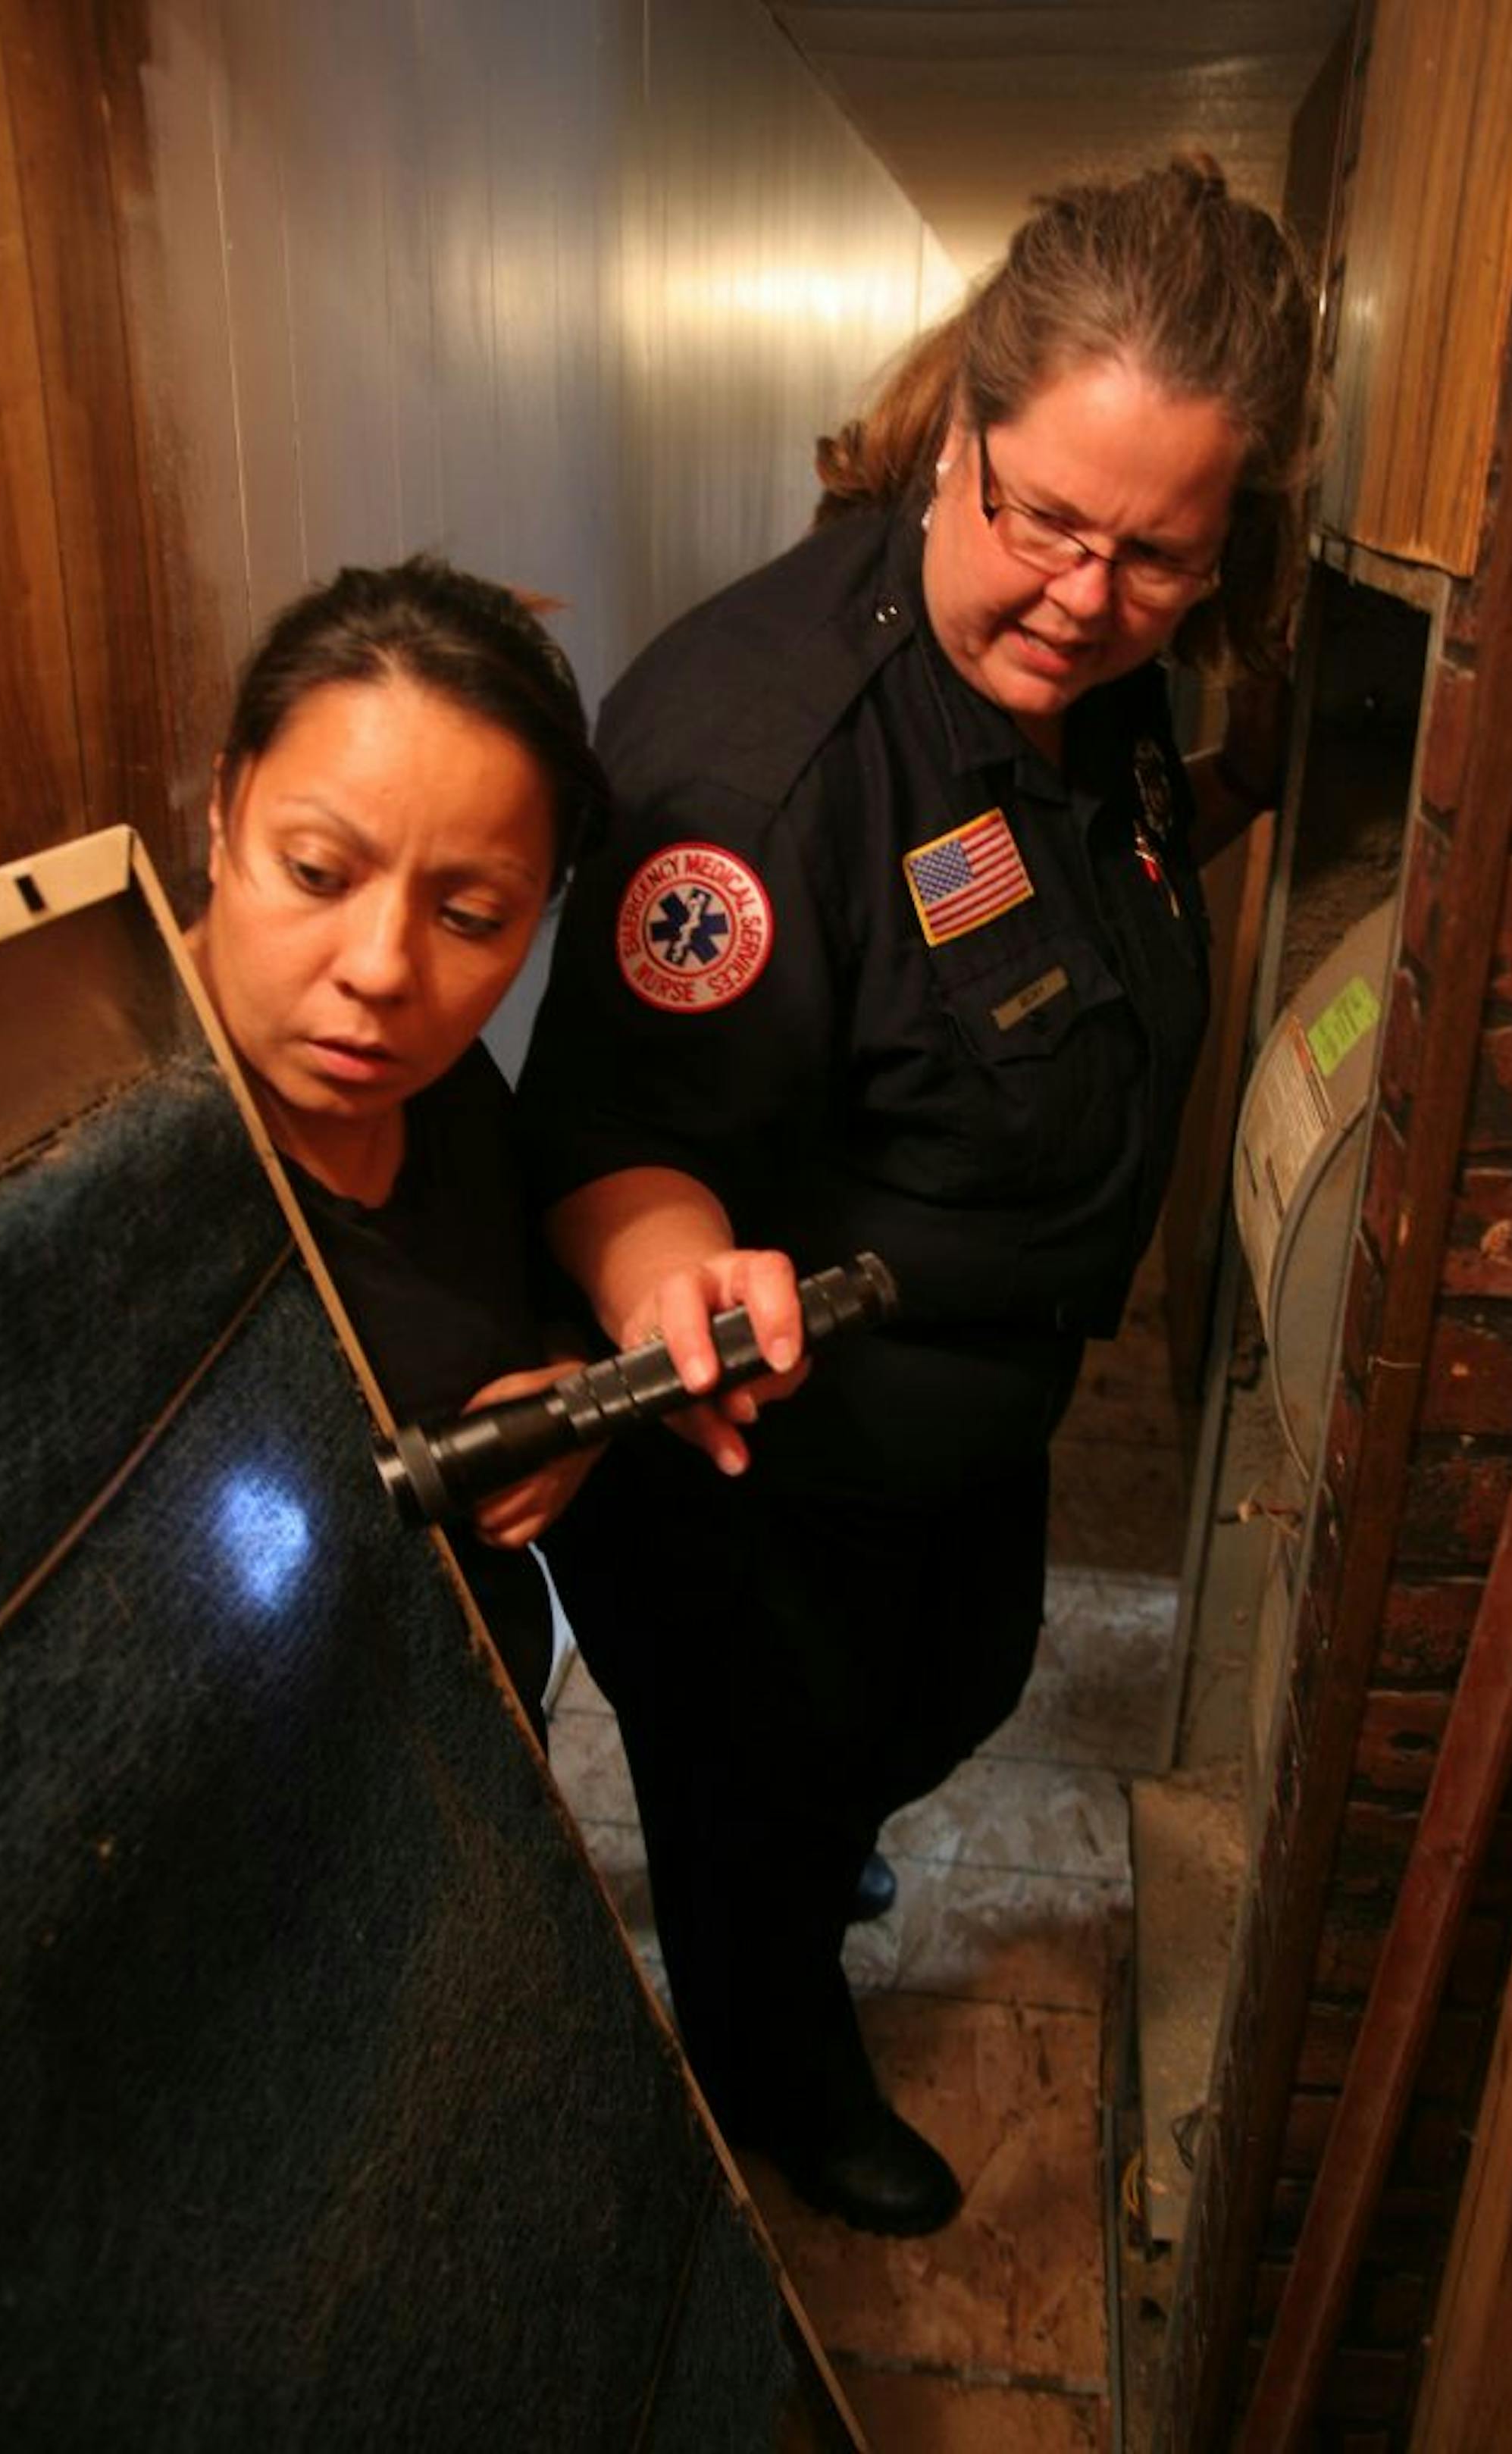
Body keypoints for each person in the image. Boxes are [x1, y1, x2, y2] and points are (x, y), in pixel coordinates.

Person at [519, 157, 1319, 2234]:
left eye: (1156, 553)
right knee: (753, 1796)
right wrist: (675, 1264)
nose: (1083, 592)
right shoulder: (762, 759)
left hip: (968, 1413)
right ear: (960, 422)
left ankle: (802, 1849)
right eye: (1045, 517)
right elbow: (615, 1130)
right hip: (766, 1468)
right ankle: (775, 2075)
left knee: (959, 1682)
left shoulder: (1103, 679)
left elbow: (1080, 885)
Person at [186, 556, 620, 1745]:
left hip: (468, 1748)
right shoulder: (106, 1155)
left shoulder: (445, 1086)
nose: (382, 969)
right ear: (223, 808)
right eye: (318, 872)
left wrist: (567, 1399)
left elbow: (534, 1295)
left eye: (472, 918)